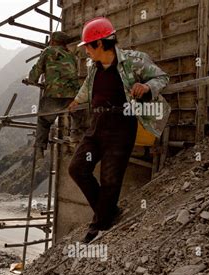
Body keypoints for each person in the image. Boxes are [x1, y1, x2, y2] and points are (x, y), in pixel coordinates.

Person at [68, 17, 170, 243]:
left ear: (101, 44)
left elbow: (162, 77)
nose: (86, 51)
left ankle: (98, 226)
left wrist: (146, 87)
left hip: (122, 125)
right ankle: (109, 212)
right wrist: (76, 101)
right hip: (97, 124)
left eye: (88, 46)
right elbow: (87, 86)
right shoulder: (93, 67)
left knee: (110, 179)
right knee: (77, 168)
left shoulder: (134, 61)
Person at [24, 31, 80, 159]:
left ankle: (39, 148)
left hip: (54, 95)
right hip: (73, 96)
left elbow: (37, 69)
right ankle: (75, 138)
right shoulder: (71, 56)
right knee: (77, 118)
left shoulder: (48, 51)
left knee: (44, 120)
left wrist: (31, 80)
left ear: (53, 41)